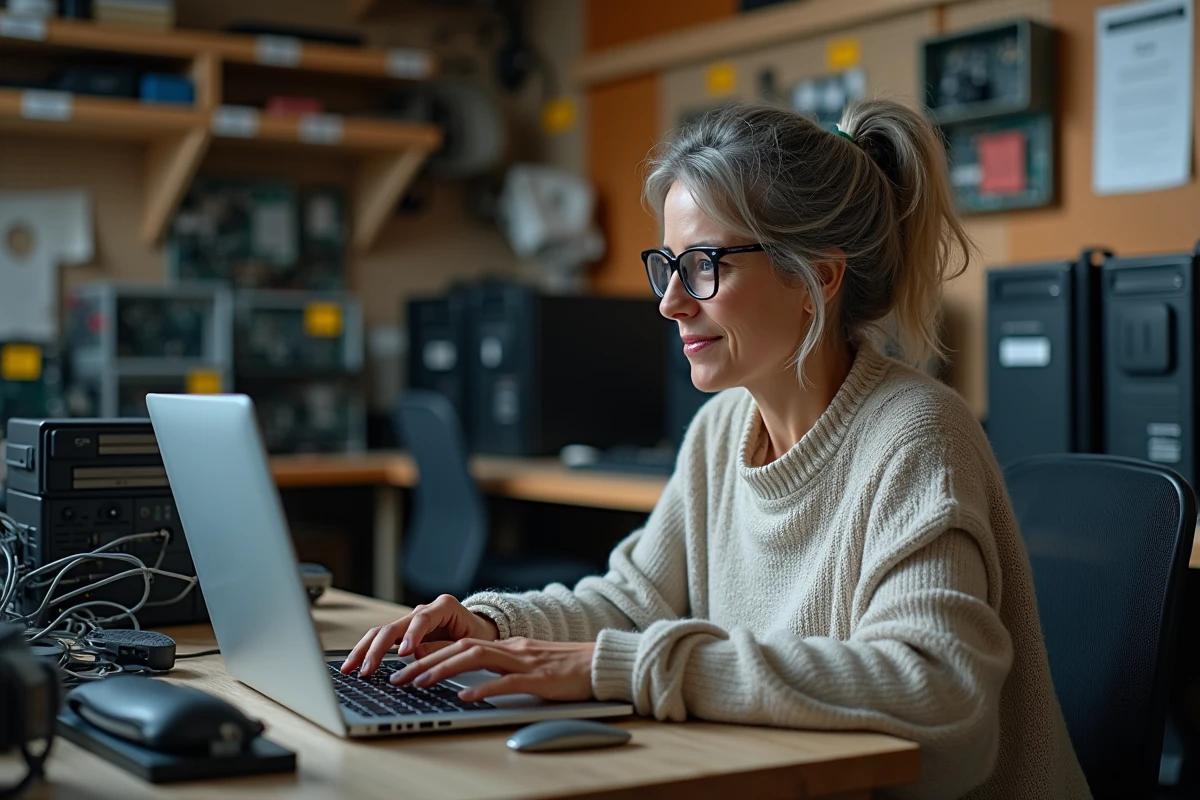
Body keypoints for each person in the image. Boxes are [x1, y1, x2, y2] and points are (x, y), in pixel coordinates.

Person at [341, 99, 1090, 799]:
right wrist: (495, 626)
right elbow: (631, 603)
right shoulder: (723, 428)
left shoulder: (918, 435)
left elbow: (939, 698)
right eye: (667, 266)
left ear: (816, 279)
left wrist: (621, 669)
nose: (670, 302)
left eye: (704, 265)